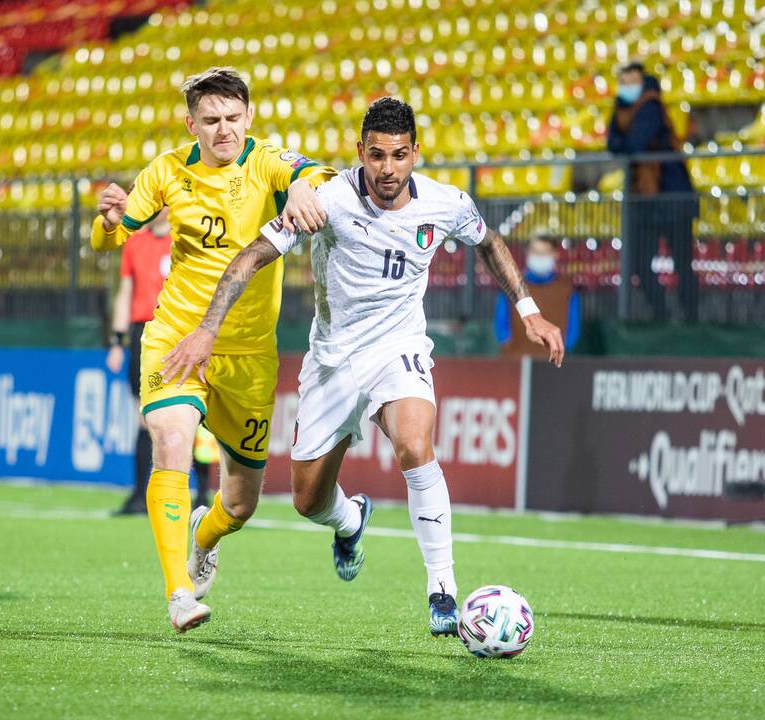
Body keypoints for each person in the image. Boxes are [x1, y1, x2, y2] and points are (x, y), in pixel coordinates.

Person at [166, 97, 564, 636]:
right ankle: (350, 520)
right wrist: (209, 328)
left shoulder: (445, 203)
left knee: (416, 446)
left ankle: (442, 592)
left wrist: (530, 311)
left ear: (415, 153)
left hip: (398, 350)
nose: (388, 169)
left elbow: (488, 241)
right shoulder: (327, 201)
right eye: (376, 156)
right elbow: (253, 254)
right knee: (307, 500)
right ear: (360, 152)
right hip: (331, 361)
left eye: (399, 156)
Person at [91, 67, 334, 633]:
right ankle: (179, 592)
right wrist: (106, 221)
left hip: (248, 354)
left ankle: (204, 535)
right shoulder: (168, 171)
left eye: (232, 118)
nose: (223, 129)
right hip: (177, 334)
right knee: (171, 440)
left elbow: (314, 173)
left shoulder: (269, 162)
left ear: (248, 117)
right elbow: (116, 231)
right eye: (210, 120)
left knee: (242, 503)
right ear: (190, 123)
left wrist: (303, 186)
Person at [106, 209, 211, 515]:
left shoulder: (185, 238)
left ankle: (202, 494)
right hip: (144, 335)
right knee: (144, 415)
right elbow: (126, 293)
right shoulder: (135, 243)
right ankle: (139, 496)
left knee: (194, 413)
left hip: (181, 332)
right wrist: (117, 339)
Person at [607, 61, 698, 321]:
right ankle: (660, 314)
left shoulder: (651, 106)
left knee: (682, 262)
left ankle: (690, 318)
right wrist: (624, 144)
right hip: (646, 200)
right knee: (638, 263)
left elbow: (633, 144)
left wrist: (624, 144)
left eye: (632, 80)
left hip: (672, 194)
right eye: (623, 81)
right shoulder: (621, 109)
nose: (627, 87)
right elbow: (612, 142)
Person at [495, 232, 580, 356]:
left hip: (554, 363)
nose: (540, 257)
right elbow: (501, 328)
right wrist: (510, 346)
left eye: (545, 252)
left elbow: (572, 332)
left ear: (555, 254)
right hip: (515, 360)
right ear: (527, 253)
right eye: (535, 252)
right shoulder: (511, 286)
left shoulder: (567, 289)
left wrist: (558, 350)